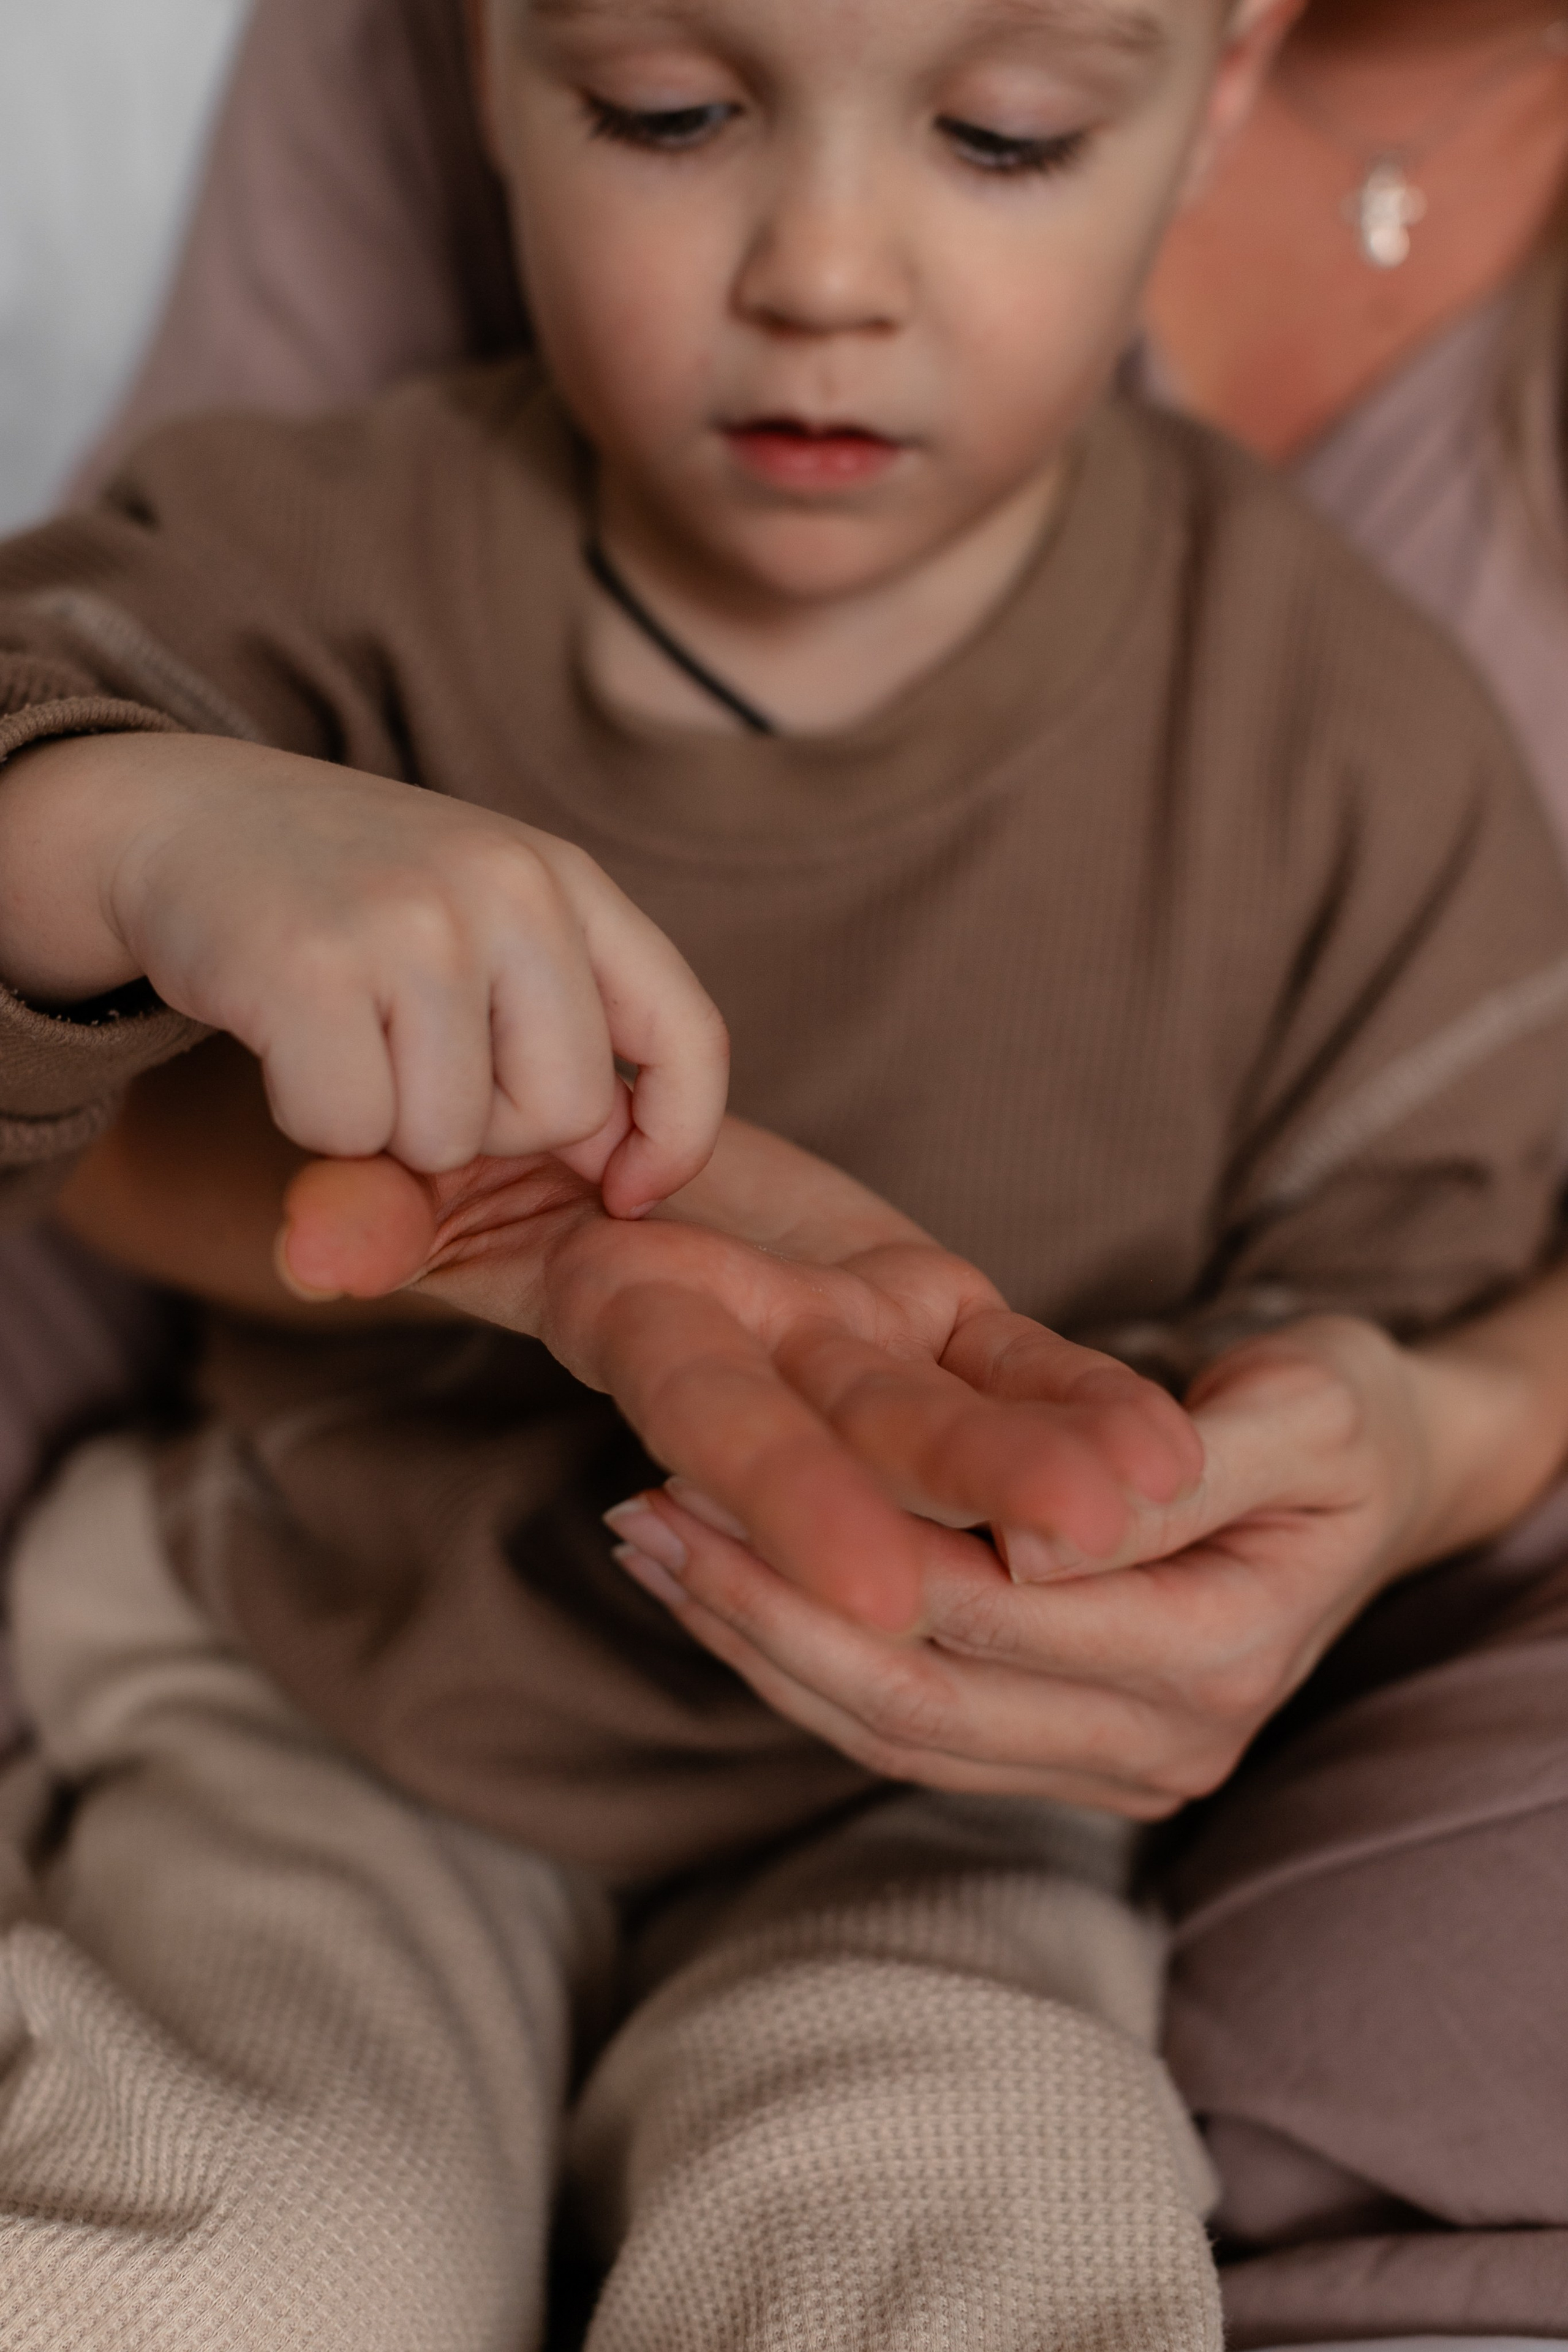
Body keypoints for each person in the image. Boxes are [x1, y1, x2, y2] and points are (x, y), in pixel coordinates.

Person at [2, 2, 1567, 2348]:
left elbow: (1414, 1306)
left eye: (1007, 137)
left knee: (960, 2225)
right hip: (319, 1677)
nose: (824, 269)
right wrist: (131, 825)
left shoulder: (1353, 745)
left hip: (948, 1788)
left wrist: (1246, 1486)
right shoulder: (303, 543)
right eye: (667, 111)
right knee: (223, 2255)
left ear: (1220, 88)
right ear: (486, 68)